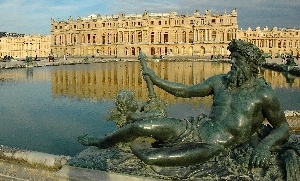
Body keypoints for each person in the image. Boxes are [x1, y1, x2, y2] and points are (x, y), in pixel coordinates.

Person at [78, 39, 290, 167]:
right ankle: (102, 142)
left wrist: (264, 146)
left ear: (250, 64)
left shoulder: (264, 94)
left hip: (214, 145)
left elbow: (282, 127)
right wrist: (156, 78)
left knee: (152, 158)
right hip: (195, 128)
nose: (231, 63)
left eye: (237, 60)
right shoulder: (220, 81)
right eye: (231, 58)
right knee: (140, 126)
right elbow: (186, 91)